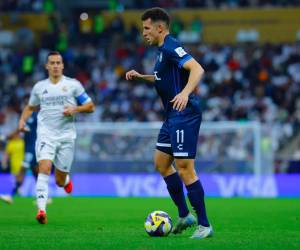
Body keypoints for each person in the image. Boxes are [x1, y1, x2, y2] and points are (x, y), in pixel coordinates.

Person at [125, 7, 213, 239]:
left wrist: (185, 93)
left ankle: (204, 225)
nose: (143, 32)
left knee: (185, 168)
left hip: (184, 113)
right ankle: (185, 215)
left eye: (146, 28)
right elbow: (162, 78)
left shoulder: (171, 45)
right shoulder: (162, 51)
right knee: (162, 164)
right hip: (171, 116)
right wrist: (141, 76)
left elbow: (197, 68)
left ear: (160, 28)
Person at [18, 51, 95, 224]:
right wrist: (22, 121)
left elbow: (90, 106)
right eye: (51, 63)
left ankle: (66, 180)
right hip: (46, 135)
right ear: (46, 66)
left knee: (59, 181)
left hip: (67, 137)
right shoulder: (39, 87)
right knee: (44, 168)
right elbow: (30, 107)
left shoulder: (73, 85)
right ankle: (41, 210)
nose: (55, 66)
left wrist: (74, 109)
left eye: (58, 63)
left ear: (62, 65)